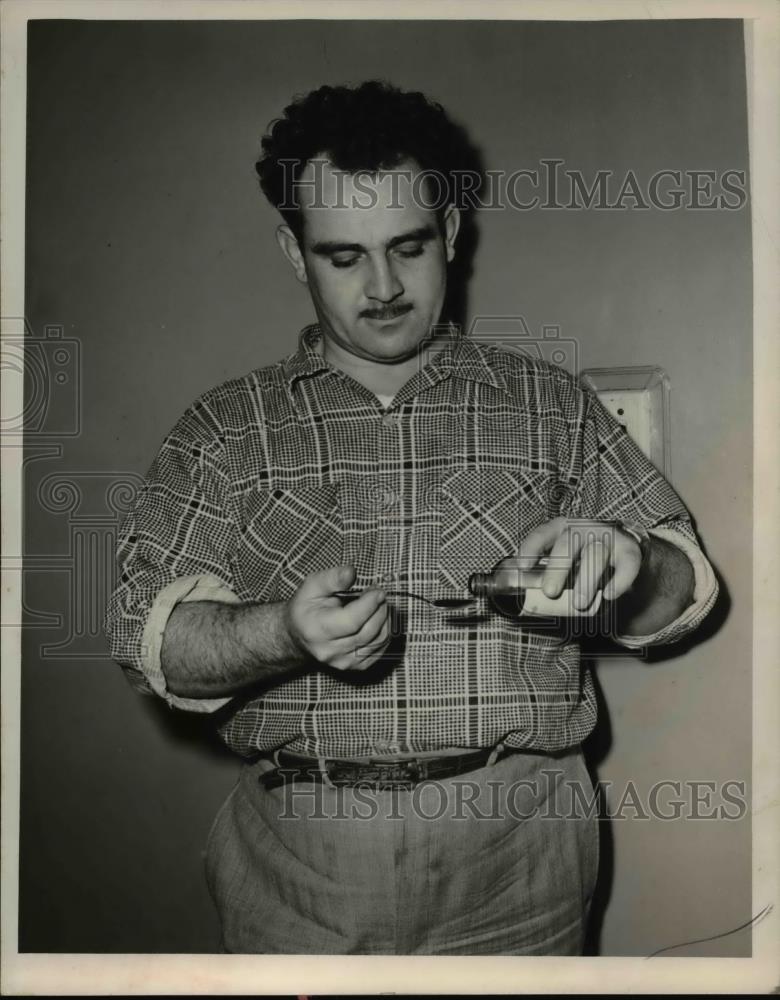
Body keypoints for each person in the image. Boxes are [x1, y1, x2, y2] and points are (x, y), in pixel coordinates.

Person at [104, 80, 718, 956]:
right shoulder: (222, 431)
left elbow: (687, 592)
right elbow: (148, 643)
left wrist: (629, 561)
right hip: (301, 866)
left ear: (453, 235)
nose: (384, 286)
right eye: (344, 257)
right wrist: (284, 631)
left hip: (524, 850)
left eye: (409, 246)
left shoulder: (552, 405)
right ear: (294, 252)